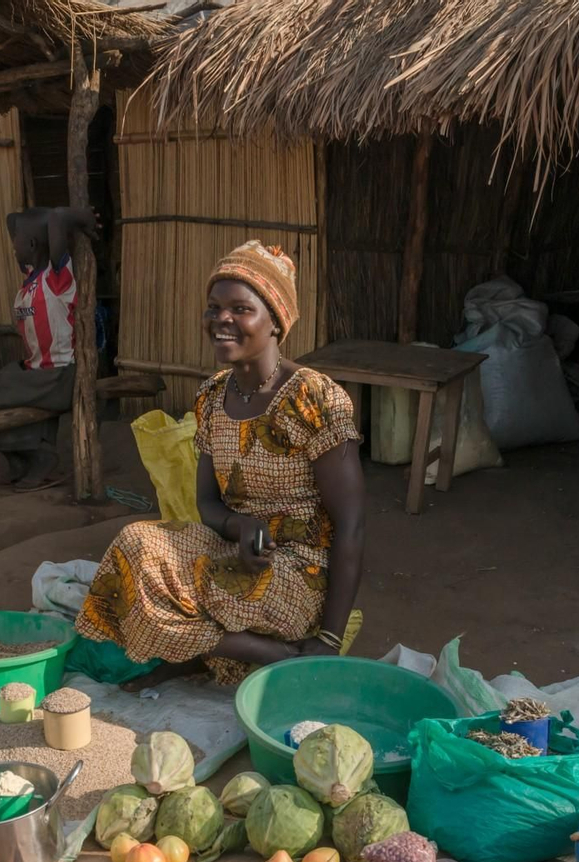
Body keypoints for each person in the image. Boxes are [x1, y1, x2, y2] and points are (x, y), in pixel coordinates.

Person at [74, 242, 365, 686]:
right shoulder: (212, 397)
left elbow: (352, 525)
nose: (221, 320)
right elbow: (207, 504)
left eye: (240, 309)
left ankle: (228, 649)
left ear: (275, 323)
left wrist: (329, 636)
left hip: (297, 572)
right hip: (235, 550)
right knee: (133, 549)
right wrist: (242, 528)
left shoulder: (314, 399)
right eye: (214, 307)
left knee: (180, 590)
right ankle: (267, 653)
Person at [0, 205, 99, 490]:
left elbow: (55, 218)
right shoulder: (30, 279)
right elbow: (10, 219)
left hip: (58, 377)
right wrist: (24, 230)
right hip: (34, 375)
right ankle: (18, 460)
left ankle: (40, 457)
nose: (12, 248)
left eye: (16, 243)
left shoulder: (57, 280)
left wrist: (82, 219)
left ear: (30, 244)